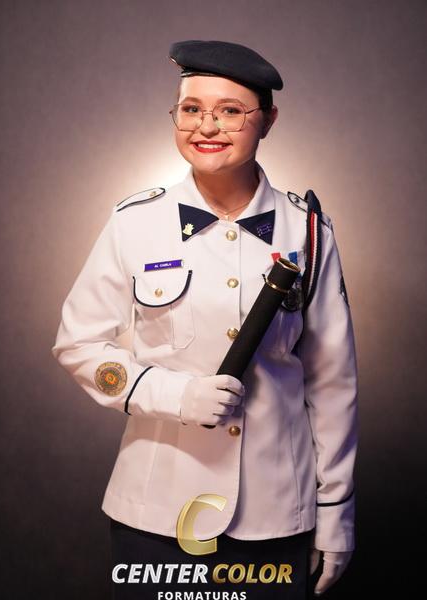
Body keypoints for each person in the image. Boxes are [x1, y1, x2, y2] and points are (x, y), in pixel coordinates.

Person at [51, 40, 358, 599]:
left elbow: (332, 382)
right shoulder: (135, 222)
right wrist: (174, 394)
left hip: (275, 515)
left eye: (230, 110)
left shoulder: (308, 231)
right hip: (156, 513)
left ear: (268, 120)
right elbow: (78, 345)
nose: (207, 126)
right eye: (191, 108)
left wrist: (336, 511)